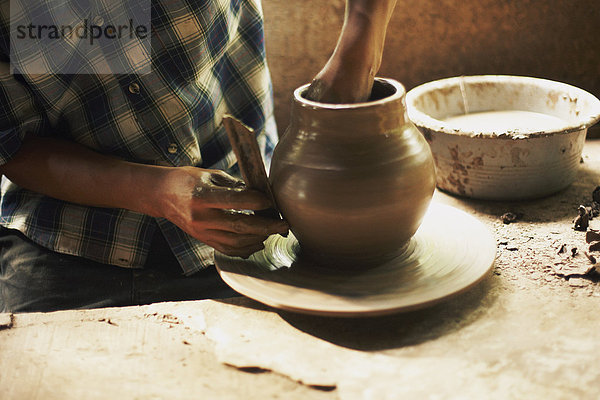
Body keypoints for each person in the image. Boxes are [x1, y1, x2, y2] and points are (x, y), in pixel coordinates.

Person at [0, 0, 397, 312]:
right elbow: (11, 145)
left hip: (241, 213)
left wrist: (360, 50)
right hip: (67, 233)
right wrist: (156, 190)